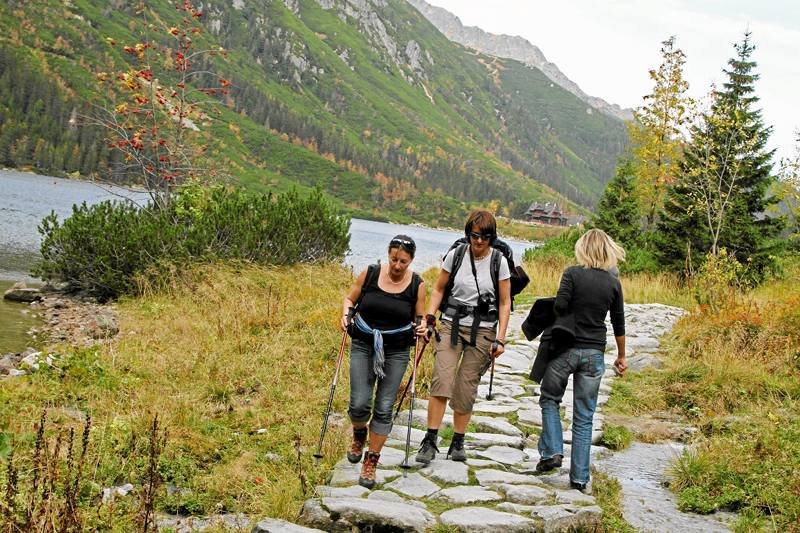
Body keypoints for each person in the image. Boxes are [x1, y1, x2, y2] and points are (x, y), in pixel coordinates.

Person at [535, 228, 628, 493]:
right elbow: (618, 322)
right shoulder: (613, 283)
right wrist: (621, 356)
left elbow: (560, 306)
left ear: (583, 249)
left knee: (549, 398)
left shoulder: (572, 274)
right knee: (584, 417)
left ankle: (553, 451)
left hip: (566, 349)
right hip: (594, 354)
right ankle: (579, 478)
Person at [415, 210, 511, 463]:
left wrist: (501, 338)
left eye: (485, 237)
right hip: (451, 325)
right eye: (475, 235)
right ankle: (430, 439)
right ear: (468, 233)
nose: (479, 241)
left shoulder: (499, 261)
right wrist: (429, 318)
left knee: (466, 387)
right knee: (442, 380)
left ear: (492, 237)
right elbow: (438, 289)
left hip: (484, 331)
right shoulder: (456, 255)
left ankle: (458, 441)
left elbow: (505, 302)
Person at [340, 235, 427, 488]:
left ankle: (371, 461)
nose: (397, 265)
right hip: (364, 343)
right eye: (394, 259)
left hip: (397, 350)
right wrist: (346, 315)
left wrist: (423, 327)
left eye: (403, 261)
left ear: (411, 260)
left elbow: (420, 317)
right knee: (359, 404)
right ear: (388, 255)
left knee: (384, 407)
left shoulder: (417, 284)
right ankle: (359, 433)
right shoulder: (370, 273)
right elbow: (350, 300)